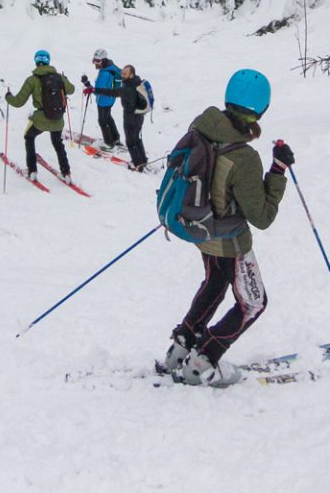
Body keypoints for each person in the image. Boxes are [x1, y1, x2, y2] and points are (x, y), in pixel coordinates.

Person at [164, 69, 291, 387]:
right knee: (253, 303)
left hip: (199, 228)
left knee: (215, 284)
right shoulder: (244, 158)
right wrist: (278, 170)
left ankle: (181, 347)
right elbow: (261, 216)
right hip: (229, 240)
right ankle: (204, 359)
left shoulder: (202, 128)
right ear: (261, 109)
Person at [6, 50, 75, 179]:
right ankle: (66, 172)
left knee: (29, 137)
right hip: (58, 119)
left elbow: (18, 102)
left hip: (40, 119)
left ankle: (32, 171)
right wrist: (65, 79)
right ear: (48, 61)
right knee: (57, 143)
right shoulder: (59, 77)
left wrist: (8, 96)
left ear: (36, 61)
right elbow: (72, 90)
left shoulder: (32, 80)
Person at [83, 63, 154, 170]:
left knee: (130, 141)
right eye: (122, 73)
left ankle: (137, 164)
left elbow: (112, 92)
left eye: (125, 74)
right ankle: (143, 159)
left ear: (131, 74)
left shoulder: (127, 88)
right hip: (139, 115)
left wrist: (94, 90)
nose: (122, 75)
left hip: (131, 117)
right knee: (137, 138)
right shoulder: (137, 81)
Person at [89, 50, 122, 148]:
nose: (95, 63)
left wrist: (88, 86)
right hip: (110, 99)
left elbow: (97, 90)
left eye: (98, 61)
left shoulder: (105, 73)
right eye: (94, 60)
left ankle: (109, 143)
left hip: (104, 100)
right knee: (108, 118)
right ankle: (115, 138)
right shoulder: (111, 67)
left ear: (103, 60)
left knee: (102, 121)